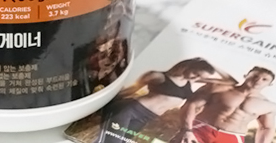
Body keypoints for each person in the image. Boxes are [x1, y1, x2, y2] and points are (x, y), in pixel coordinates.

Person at [101, 58, 235, 140]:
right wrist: (105, 100)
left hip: (147, 117)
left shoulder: (191, 81)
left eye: (200, 77)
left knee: (122, 141)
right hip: (131, 110)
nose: (196, 78)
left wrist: (210, 63)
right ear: (189, 67)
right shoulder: (158, 76)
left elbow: (230, 81)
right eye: (195, 73)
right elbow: (132, 90)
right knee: (111, 141)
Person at [174, 66, 276, 143]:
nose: (258, 80)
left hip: (232, 137)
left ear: (270, 84)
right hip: (201, 129)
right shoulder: (218, 88)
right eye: (255, 76)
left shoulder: (269, 106)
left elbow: (266, 128)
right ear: (246, 75)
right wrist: (186, 129)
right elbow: (191, 105)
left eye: (264, 79)